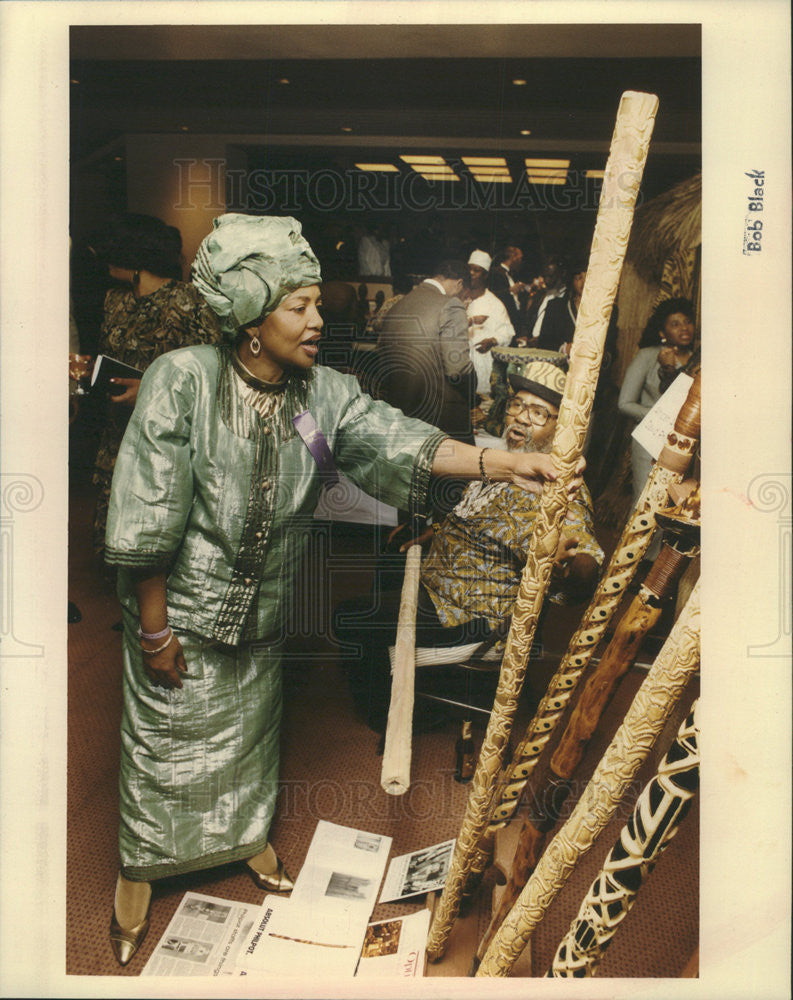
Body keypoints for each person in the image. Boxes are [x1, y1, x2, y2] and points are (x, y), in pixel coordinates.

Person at [103, 214, 583, 965]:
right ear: (249, 317)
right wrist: (156, 630)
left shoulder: (321, 393)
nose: (319, 321)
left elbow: (397, 440)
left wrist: (503, 465)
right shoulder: (183, 380)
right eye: (299, 307)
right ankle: (142, 869)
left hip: (266, 610)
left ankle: (241, 840)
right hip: (183, 609)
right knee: (163, 745)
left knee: (249, 742)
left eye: (317, 304)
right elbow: (147, 512)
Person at [336, 359, 603, 731]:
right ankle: (394, 669)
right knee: (386, 558)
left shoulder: (560, 490)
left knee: (348, 619)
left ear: (562, 429)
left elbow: (585, 562)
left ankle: (396, 717)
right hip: (440, 583)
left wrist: (566, 565)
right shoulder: (506, 461)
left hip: (472, 617)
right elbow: (478, 516)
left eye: (540, 412)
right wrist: (437, 532)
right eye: (517, 404)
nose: (522, 418)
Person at [90, 213, 223, 560]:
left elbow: (211, 373)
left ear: (132, 256)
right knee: (116, 534)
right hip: (117, 434)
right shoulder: (114, 299)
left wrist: (146, 391)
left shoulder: (188, 301)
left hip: (163, 437)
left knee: (155, 533)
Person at [375, 260, 475, 442]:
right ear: (460, 284)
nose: (462, 299)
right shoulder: (452, 305)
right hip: (440, 419)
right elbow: (457, 369)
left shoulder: (398, 305)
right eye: (463, 294)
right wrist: (472, 388)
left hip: (400, 415)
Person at [618, 297, 697, 502]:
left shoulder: (699, 360)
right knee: (644, 503)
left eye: (687, 321)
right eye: (675, 324)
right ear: (662, 332)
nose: (684, 328)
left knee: (674, 506)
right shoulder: (647, 356)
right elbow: (624, 403)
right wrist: (660, 417)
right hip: (650, 441)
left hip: (687, 446)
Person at [465, 249, 515, 402]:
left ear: (485, 275)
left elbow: (507, 332)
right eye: (469, 269)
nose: (471, 273)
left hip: (481, 366)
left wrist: (492, 341)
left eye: (477, 270)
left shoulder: (494, 304)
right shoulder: (457, 297)